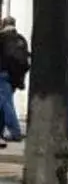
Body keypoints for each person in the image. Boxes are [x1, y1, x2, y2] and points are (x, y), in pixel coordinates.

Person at [0, 16, 27, 147]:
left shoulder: (2, 38)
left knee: (6, 104)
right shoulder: (21, 39)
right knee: (3, 103)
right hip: (15, 77)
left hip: (2, 74)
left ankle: (15, 131)